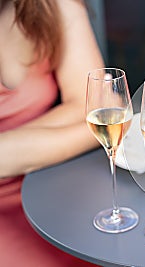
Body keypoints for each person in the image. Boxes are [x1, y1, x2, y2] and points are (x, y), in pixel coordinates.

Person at [0, 0, 103, 265]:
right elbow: (104, 120)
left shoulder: (47, 4)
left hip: (52, 185)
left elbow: (99, 106)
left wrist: (7, 151)